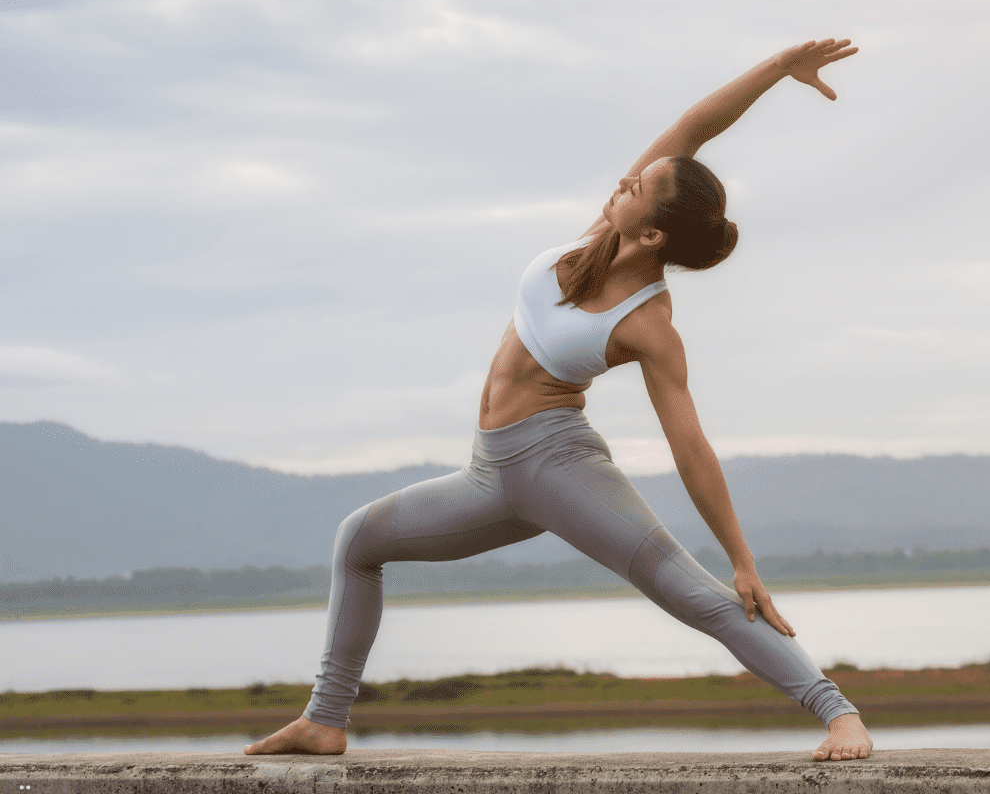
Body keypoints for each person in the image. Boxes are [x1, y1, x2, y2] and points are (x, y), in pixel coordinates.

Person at [244, 39, 873, 762]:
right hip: (488, 476)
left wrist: (743, 559)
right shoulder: (599, 238)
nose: (623, 181)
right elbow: (695, 127)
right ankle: (325, 721)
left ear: (655, 233)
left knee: (692, 594)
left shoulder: (648, 325)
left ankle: (839, 715)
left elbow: (689, 447)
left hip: (559, 470)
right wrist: (775, 69)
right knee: (358, 540)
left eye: (636, 188)